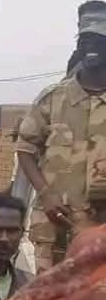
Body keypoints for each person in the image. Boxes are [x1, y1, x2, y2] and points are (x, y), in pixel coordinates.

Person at [17, 17, 106, 273]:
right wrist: (46, 195)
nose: (90, 46)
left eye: (98, 40)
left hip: (101, 226)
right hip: (55, 223)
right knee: (51, 291)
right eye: (84, 40)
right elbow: (25, 150)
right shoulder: (53, 98)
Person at [67, 0, 106, 76]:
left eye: (99, 22)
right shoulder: (76, 58)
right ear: (79, 25)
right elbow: (69, 80)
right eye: (88, 22)